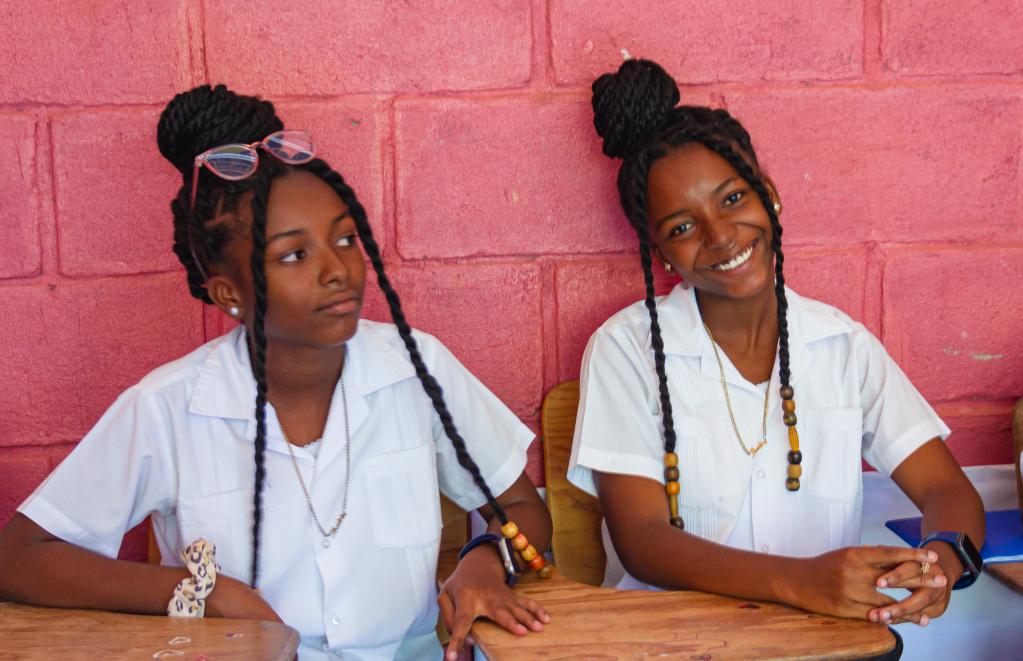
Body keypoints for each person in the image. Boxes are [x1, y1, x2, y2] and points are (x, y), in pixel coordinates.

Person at [0, 84, 551, 660]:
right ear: (229, 292)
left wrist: (485, 562)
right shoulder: (167, 408)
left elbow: (520, 509)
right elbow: (20, 558)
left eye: (344, 238)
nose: (338, 270)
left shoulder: (417, 367)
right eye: (294, 255)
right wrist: (204, 592)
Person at [568, 58, 984, 628]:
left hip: (820, 644)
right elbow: (642, 540)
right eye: (682, 228)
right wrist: (799, 580)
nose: (720, 236)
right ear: (660, 253)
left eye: (734, 199)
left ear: (769, 196)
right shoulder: (627, 350)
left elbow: (945, 486)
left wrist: (940, 564)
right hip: (674, 643)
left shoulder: (841, 346)